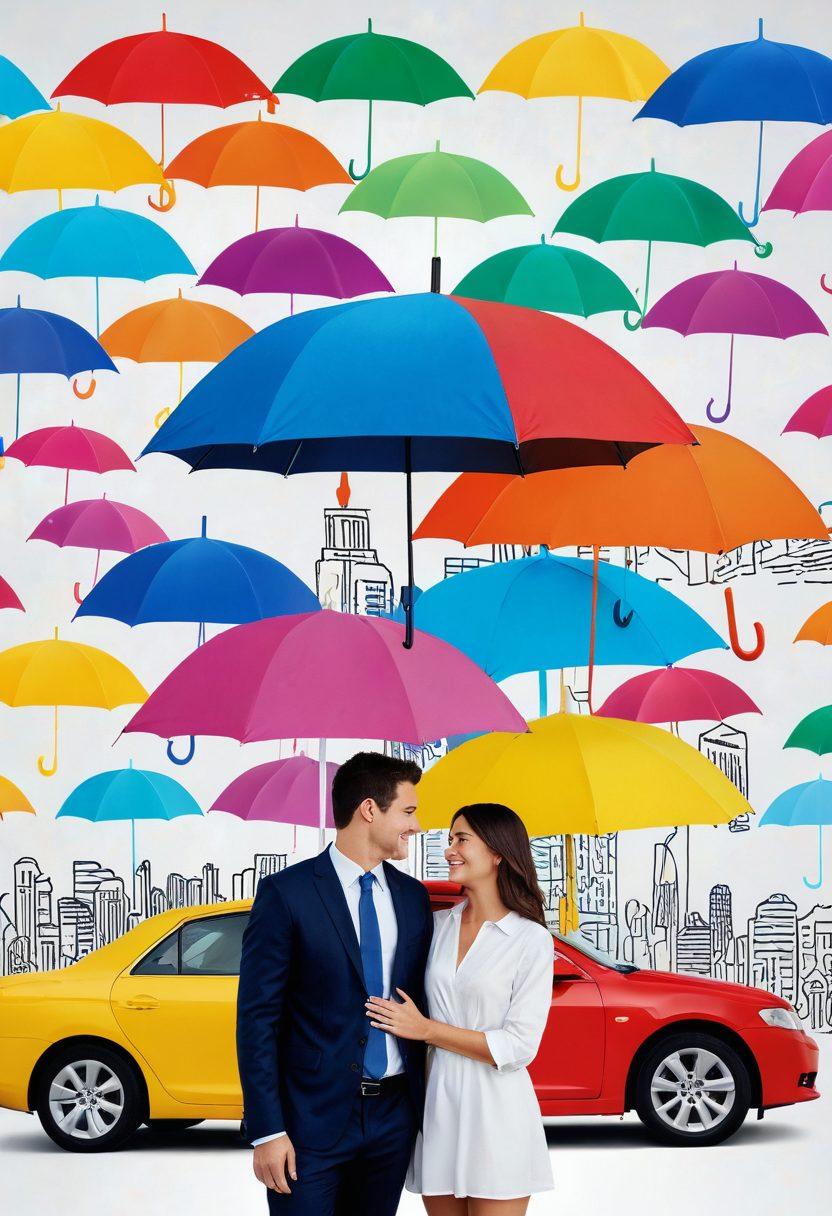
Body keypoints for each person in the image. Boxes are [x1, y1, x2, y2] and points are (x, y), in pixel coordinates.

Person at [236, 751, 434, 1215]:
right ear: (369, 809)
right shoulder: (287, 894)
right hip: (309, 1122)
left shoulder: (412, 898)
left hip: (393, 1118)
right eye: (408, 811)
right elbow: (257, 1019)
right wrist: (268, 1130)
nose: (417, 826)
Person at [367, 803, 555, 1215]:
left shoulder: (530, 940)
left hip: (497, 1114)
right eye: (450, 839)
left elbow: (519, 1046)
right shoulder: (437, 926)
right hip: (438, 1107)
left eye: (461, 839)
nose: (449, 849)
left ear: (498, 853)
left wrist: (427, 1031)